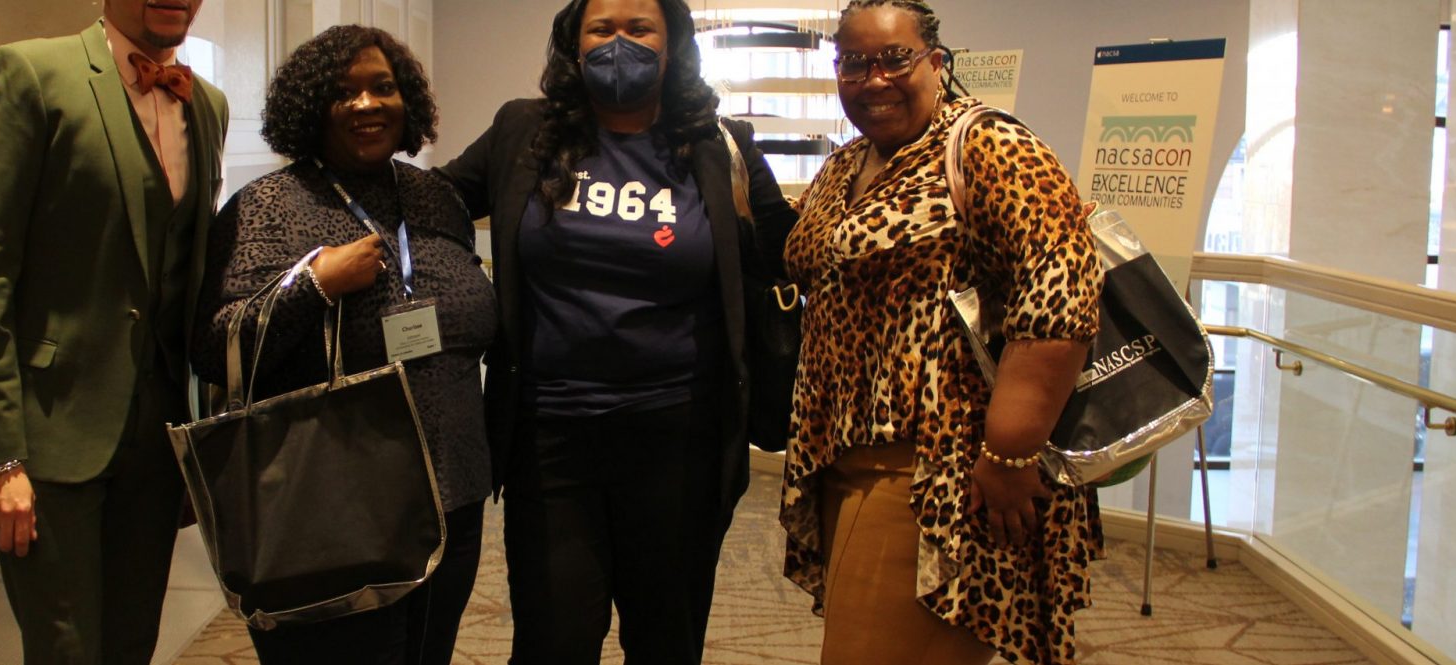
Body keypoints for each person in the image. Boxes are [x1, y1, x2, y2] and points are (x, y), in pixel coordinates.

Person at [438, 0, 797, 661]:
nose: (619, 43)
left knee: (666, 639)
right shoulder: (525, 131)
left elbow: (793, 250)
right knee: (553, 640)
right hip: (550, 436)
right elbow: (436, 202)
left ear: (672, 44)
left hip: (679, 436)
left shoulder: (720, 145)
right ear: (575, 45)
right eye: (602, 29)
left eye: (639, 28)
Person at [777, 2, 1103, 664]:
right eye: (854, 63)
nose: (874, 79)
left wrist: (1008, 453)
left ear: (935, 61)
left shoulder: (989, 146)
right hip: (847, 456)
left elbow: (1061, 301)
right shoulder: (847, 164)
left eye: (894, 59)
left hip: (940, 468)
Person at [190, 24, 494, 665]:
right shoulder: (268, 205)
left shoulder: (435, 198)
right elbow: (216, 348)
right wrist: (313, 285)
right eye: (342, 93)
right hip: (334, 507)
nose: (366, 104)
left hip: (453, 492)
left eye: (383, 87)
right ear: (309, 109)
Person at [0, 0, 228, 661]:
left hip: (157, 435)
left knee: (133, 640)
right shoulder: (32, 75)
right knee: (64, 646)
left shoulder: (207, 104)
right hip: (49, 430)